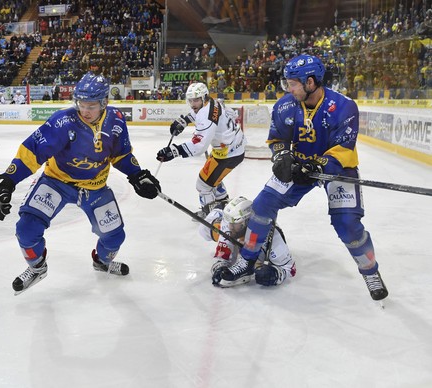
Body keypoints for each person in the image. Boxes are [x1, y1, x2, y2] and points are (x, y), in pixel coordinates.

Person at [212, 54, 388, 301]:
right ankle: (247, 260)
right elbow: (277, 139)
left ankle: (370, 271)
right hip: (300, 165)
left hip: (338, 169)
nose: (288, 88)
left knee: (347, 225)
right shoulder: (285, 106)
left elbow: (343, 149)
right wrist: (282, 156)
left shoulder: (344, 106)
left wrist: (318, 165)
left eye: (293, 83)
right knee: (263, 205)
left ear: (311, 82)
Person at [0, 72, 161, 295]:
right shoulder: (63, 121)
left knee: (115, 237)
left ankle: (101, 261)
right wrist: (8, 179)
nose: (85, 111)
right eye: (81, 104)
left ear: (104, 103)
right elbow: (33, 151)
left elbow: (120, 154)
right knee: (26, 228)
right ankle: (37, 267)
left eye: (91, 105)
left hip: (95, 186)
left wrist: (137, 175)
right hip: (56, 182)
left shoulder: (116, 120)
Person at [156, 82, 246, 217]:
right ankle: (223, 202)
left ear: (203, 98)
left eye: (196, 100)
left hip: (228, 154)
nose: (193, 104)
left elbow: (199, 145)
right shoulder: (211, 102)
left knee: (203, 185)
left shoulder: (206, 116)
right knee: (212, 179)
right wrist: (184, 120)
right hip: (230, 147)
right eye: (190, 100)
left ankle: (211, 217)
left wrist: (175, 151)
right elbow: (196, 111)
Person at [198, 196, 295, 287]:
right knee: (204, 229)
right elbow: (223, 257)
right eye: (229, 222)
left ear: (247, 222)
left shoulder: (271, 237)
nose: (230, 226)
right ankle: (220, 208)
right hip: (238, 228)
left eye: (234, 224)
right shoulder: (230, 223)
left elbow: (290, 268)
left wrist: (275, 274)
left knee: (258, 255)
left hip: (256, 239)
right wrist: (220, 267)